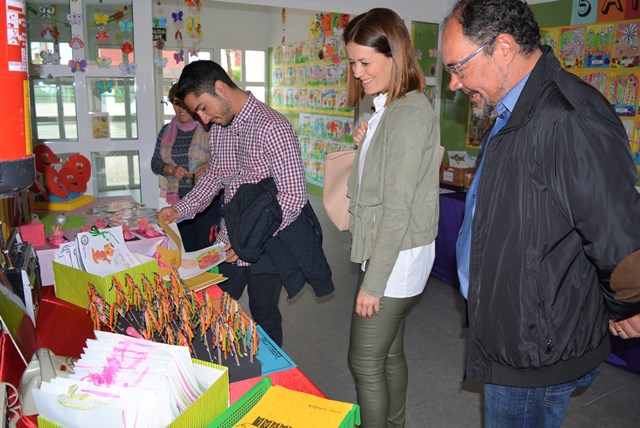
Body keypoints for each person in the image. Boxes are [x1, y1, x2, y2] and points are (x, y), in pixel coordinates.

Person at [442, 0, 640, 426]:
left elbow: (616, 229)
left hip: (533, 348)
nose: (454, 85)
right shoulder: (513, 108)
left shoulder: (569, 118)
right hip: (514, 328)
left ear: (505, 48)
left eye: (458, 68)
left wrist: (629, 305)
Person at [157, 60, 333, 347]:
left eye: (202, 107)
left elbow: (293, 198)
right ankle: (216, 369)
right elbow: (214, 178)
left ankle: (272, 379)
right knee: (214, 306)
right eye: (196, 112)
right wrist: (181, 209)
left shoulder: (273, 126)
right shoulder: (220, 127)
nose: (202, 119)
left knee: (265, 313)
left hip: (267, 242)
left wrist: (247, 243)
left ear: (220, 88)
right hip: (228, 241)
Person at [343, 8, 441, 427]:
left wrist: (373, 283)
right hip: (394, 249)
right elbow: (372, 184)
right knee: (389, 354)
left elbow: (397, 207)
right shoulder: (389, 108)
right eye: (352, 62)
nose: (357, 72)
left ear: (395, 54)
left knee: (364, 361)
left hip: (395, 256)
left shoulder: (407, 112)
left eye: (365, 63)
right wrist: (365, 142)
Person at [151, 84, 222, 252]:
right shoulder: (166, 131)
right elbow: (155, 163)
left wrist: (208, 165)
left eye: (184, 103)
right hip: (179, 202)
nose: (181, 108)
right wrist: (170, 169)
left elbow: (226, 160)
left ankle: (211, 278)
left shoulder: (211, 128)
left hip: (209, 202)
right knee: (187, 249)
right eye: (176, 103)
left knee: (207, 249)